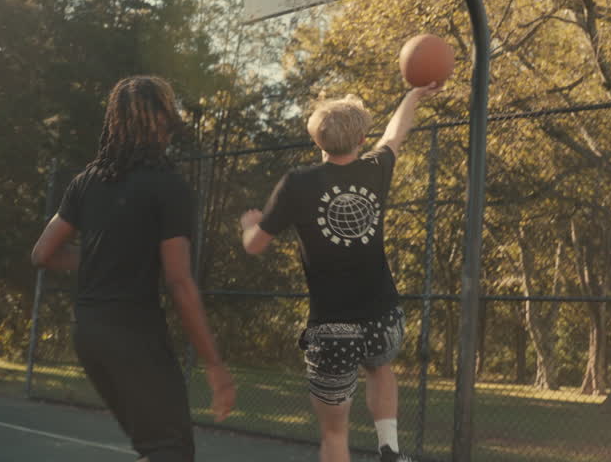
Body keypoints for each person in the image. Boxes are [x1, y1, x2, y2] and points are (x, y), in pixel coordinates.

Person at [31, 75, 235, 462]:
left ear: (116, 123)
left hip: (89, 334)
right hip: (134, 335)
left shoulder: (86, 181)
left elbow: (43, 253)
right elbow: (179, 282)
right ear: (161, 119)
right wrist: (214, 365)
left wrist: (102, 256)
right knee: (170, 450)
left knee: (156, 448)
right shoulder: (169, 187)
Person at [239, 84, 440, 462]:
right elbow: (395, 133)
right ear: (361, 139)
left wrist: (250, 224)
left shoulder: (297, 183)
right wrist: (413, 95)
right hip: (382, 319)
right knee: (380, 366)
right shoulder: (375, 170)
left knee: (334, 433)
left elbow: (254, 245)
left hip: (331, 328)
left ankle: (385, 452)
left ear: (317, 138)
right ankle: (389, 449)